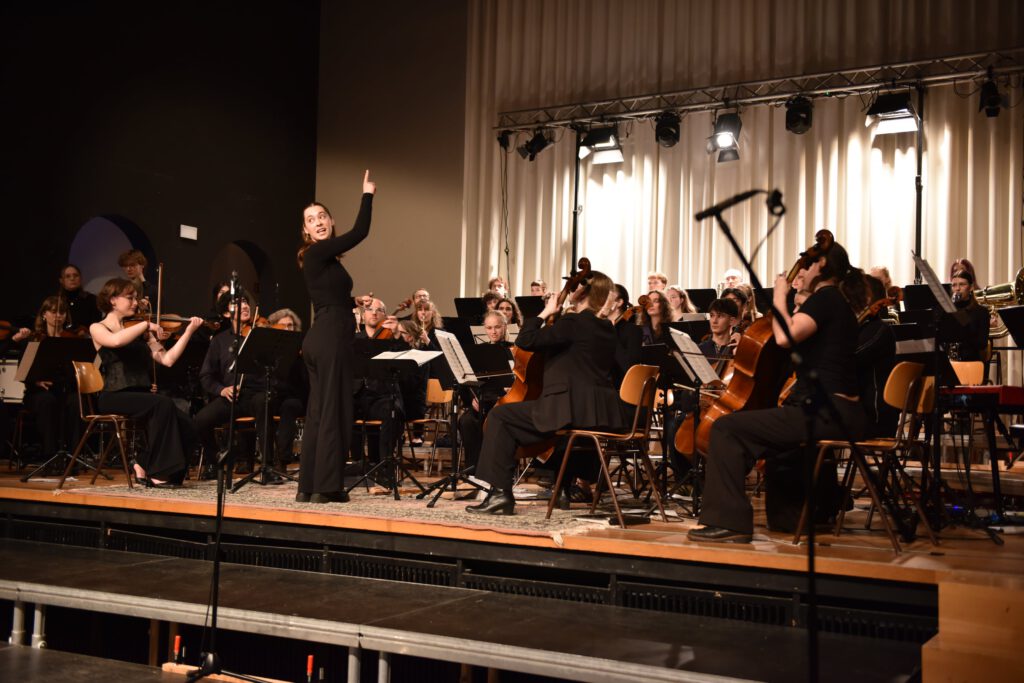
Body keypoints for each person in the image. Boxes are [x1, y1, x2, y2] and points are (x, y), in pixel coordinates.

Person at [688, 241, 868, 543]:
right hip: (840, 412)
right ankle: (789, 518)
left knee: (726, 429)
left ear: (822, 266)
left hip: (826, 413)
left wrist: (780, 298)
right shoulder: (836, 302)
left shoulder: (826, 298)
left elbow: (785, 338)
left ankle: (730, 523)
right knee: (763, 438)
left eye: (806, 266)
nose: (801, 272)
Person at [467, 271, 622, 515]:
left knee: (499, 417)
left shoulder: (574, 323)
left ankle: (500, 494)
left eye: (576, 288)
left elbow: (526, 340)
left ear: (583, 293)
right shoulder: (606, 327)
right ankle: (524, 490)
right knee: (515, 422)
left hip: (568, 409)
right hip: (596, 411)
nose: (571, 290)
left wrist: (546, 312)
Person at [295, 170, 376, 504]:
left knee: (319, 412)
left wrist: (354, 301)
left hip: (322, 334)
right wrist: (368, 194)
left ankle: (308, 487)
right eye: (311, 220)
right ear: (306, 230)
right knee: (335, 411)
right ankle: (327, 487)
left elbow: (330, 299)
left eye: (322, 217)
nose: (318, 222)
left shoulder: (323, 260)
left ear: (330, 221)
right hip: (330, 337)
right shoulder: (316, 253)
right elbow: (361, 232)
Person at [89, 278, 204, 487]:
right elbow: (116, 341)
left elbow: (167, 359)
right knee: (162, 403)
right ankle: (158, 473)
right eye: (130, 298)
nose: (136, 303)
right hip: (113, 395)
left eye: (136, 298)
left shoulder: (140, 329)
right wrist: (146, 324)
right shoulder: (98, 327)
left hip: (142, 397)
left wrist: (188, 332)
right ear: (113, 300)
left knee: (189, 425)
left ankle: (144, 464)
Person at [457, 310, 514, 475]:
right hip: (484, 399)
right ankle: (473, 469)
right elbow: (470, 379)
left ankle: (493, 470)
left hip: (505, 401)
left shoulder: (513, 349)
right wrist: (472, 399)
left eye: (497, 327)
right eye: (489, 328)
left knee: (494, 421)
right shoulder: (479, 352)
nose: (493, 332)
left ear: (505, 326)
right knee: (466, 421)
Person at [948, 265, 989, 363]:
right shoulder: (947, 312)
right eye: (954, 285)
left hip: (970, 362)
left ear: (971, 287)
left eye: (962, 284)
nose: (957, 289)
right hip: (948, 362)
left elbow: (982, 344)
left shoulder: (981, 312)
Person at [58, 264, 101, 331]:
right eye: (68, 276)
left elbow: (96, 324)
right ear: (61, 280)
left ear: (80, 278)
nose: (72, 278)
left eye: (76, 275)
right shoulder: (57, 301)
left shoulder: (91, 299)